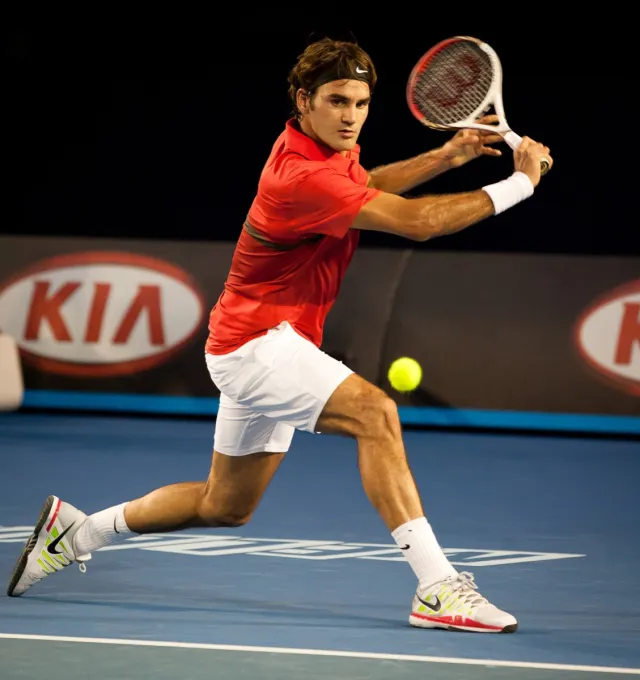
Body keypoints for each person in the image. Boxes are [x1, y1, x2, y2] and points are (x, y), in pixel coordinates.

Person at [7, 37, 552, 633]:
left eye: (362, 103)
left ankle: (78, 531)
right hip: (258, 344)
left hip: (256, 340)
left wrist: (446, 157)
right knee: (377, 415)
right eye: (338, 101)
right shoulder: (299, 177)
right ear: (303, 99)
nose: (351, 116)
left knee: (225, 505)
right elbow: (416, 223)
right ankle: (438, 588)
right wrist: (520, 184)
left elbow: (366, 184)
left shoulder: (318, 149)